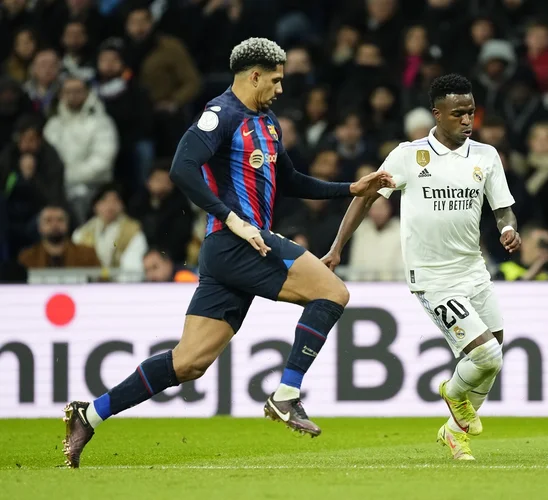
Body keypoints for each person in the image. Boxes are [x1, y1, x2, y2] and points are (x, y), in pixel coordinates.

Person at [61, 38, 394, 468]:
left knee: (189, 363)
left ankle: (89, 415)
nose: (279, 89)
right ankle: (287, 394)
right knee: (332, 293)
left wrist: (349, 188)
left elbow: (289, 179)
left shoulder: (268, 122)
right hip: (236, 241)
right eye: (275, 80)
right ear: (253, 75)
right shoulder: (221, 115)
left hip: (235, 249)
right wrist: (232, 218)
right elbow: (181, 167)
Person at [322, 74, 521, 461]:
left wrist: (508, 227)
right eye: (459, 114)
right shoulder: (408, 155)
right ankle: (452, 392)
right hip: (432, 277)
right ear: (437, 114)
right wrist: (336, 248)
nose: (467, 120)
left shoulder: (486, 156)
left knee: (496, 349)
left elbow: (502, 207)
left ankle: (454, 431)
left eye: (471, 113)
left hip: (473, 270)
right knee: (487, 356)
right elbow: (364, 199)